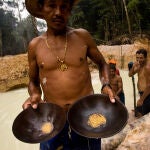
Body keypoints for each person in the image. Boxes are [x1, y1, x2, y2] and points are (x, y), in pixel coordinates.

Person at [23, 0, 115, 149]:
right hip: (52, 118)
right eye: (52, 6)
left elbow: (102, 64)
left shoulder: (82, 37)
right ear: (42, 9)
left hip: (86, 115)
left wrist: (105, 85)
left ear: (70, 10)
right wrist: (34, 95)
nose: (58, 12)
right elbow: (33, 81)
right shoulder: (35, 46)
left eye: (64, 7)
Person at [128, 49, 150, 116]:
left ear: (146, 58)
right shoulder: (139, 65)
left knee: (143, 116)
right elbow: (130, 74)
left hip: (147, 94)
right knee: (138, 112)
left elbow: (149, 86)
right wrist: (133, 66)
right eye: (137, 58)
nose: (139, 60)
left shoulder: (147, 68)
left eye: (141, 58)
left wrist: (141, 100)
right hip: (142, 94)